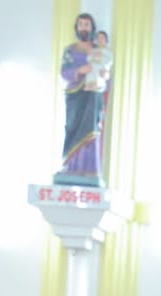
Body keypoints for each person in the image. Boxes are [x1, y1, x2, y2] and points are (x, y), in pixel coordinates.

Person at [58, 14, 108, 183]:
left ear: (92, 28)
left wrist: (104, 75)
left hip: (93, 94)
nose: (84, 28)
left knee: (91, 129)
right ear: (76, 28)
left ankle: (90, 169)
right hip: (75, 95)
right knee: (72, 128)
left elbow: (106, 71)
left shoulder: (99, 51)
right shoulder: (70, 50)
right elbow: (64, 72)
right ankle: (70, 166)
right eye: (81, 25)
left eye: (87, 25)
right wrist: (80, 70)